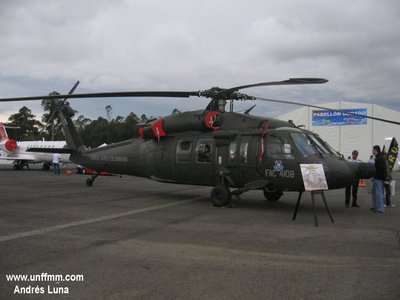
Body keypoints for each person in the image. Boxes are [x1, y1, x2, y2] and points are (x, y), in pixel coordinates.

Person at [371, 145, 386, 213]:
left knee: (378, 193)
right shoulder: (379, 157)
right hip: (378, 177)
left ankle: (381, 208)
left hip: (378, 178)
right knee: (374, 192)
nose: (372, 151)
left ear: (376, 150)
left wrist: (376, 175)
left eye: (373, 150)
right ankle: (376, 206)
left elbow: (381, 169)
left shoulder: (379, 158)